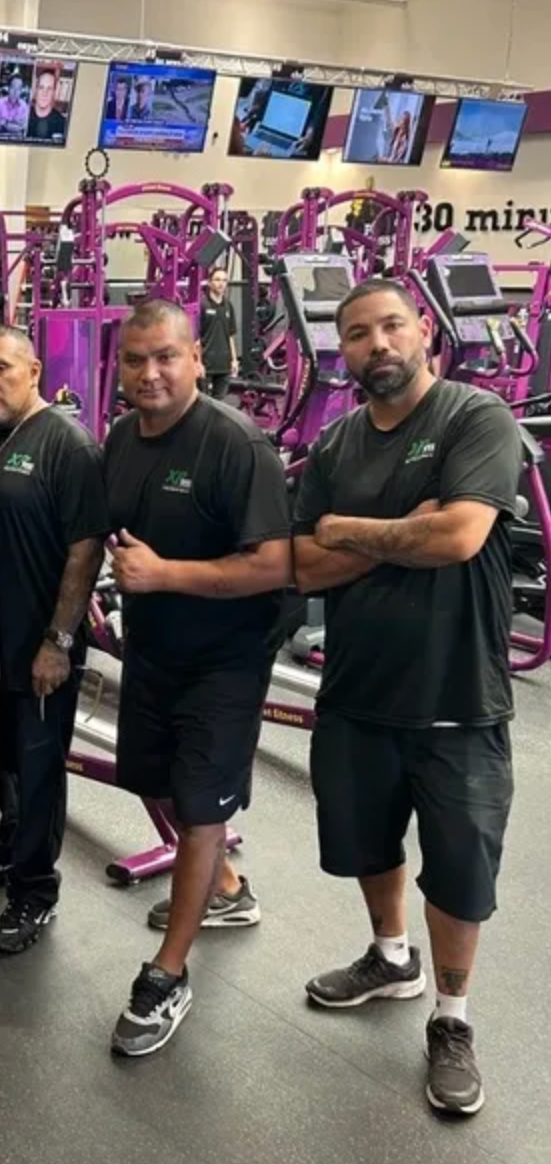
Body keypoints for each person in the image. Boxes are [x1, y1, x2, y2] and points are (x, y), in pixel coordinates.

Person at [292, 278, 523, 1117]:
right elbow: (302, 564)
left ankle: (452, 1017)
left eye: (391, 326)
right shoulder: (337, 442)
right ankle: (391, 957)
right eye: (358, 334)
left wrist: (348, 530)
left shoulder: (475, 417)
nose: (378, 344)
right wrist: (399, 534)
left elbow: (459, 535)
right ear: (342, 349)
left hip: (458, 697)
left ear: (423, 329)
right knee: (367, 842)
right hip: (358, 691)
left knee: (459, 871)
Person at [103, 299, 292, 1058]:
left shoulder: (236, 444)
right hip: (152, 649)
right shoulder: (121, 438)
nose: (150, 373)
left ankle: (168, 973)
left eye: (166, 357)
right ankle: (228, 892)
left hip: (225, 659)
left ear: (195, 360)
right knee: (153, 783)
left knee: (201, 807)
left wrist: (164, 575)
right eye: (135, 359)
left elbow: (274, 566)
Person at [0, 326, 108, 952]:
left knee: (39, 768)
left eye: (0, 369)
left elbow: (85, 551)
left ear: (34, 371)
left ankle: (35, 891)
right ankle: (12, 844)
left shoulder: (69, 445)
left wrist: (58, 642)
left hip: (41, 643)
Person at [199, 269, 239, 400]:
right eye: (217, 280)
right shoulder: (202, 305)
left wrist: (234, 360)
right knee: (203, 403)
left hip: (223, 365)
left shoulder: (228, 306)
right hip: (206, 364)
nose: (221, 284)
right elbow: (195, 338)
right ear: (209, 283)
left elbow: (230, 335)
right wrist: (198, 363)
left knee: (219, 404)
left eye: (224, 280)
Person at [27, 65, 68, 142]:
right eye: (41, 87)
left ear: (54, 93)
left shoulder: (63, 123)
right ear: (35, 90)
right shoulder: (23, 116)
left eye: (49, 89)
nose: (44, 93)